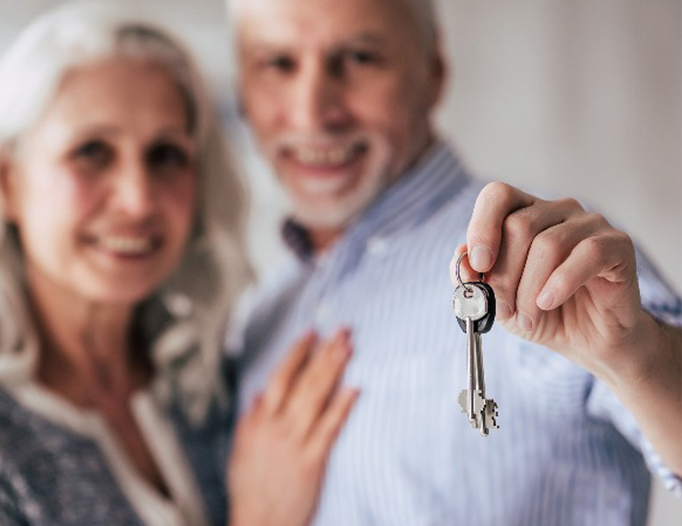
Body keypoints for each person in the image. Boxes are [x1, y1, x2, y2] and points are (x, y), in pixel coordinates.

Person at [0, 3, 359, 525]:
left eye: (166, 154)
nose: (139, 198)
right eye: (92, 152)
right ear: (9, 182)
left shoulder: (206, 393)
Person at [226, 0, 682, 524]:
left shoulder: (551, 261)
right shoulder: (258, 321)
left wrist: (640, 357)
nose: (312, 114)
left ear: (434, 70)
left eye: (358, 57)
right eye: (278, 64)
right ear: (242, 88)